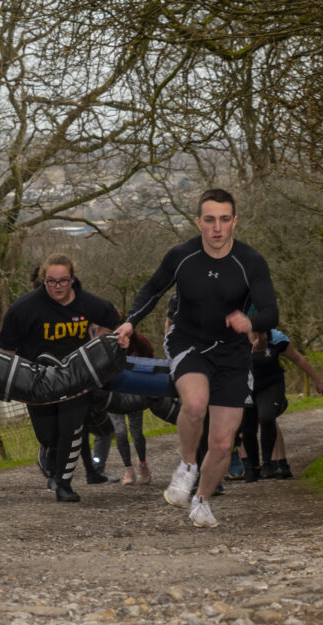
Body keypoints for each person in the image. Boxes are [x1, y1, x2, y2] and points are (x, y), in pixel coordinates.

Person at [115, 188, 278, 528]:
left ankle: (201, 500)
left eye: (223, 220)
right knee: (194, 404)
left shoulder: (250, 262)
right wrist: (130, 321)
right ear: (198, 222)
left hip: (233, 352)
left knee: (221, 442)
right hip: (188, 341)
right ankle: (187, 465)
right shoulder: (182, 256)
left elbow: (270, 310)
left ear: (234, 222)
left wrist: (251, 322)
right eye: (209, 220)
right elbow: (152, 290)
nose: (216, 228)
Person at [0, 253, 120, 502]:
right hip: (38, 382)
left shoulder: (87, 304)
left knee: (71, 429)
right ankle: (49, 454)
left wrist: (97, 346)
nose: (58, 287)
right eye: (51, 281)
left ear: (72, 279)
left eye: (63, 281)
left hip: (75, 379)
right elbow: (7, 349)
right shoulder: (24, 309)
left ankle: (64, 484)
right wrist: (7, 381)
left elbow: (111, 318)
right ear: (43, 280)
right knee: (48, 435)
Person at [240, 329, 323, 480]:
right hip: (246, 388)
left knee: (266, 417)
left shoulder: (276, 338)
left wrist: (317, 380)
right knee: (246, 427)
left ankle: (271, 464)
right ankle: (252, 466)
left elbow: (298, 358)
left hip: (271, 385)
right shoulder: (234, 339)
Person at [93, 319, 155, 485]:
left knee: (136, 432)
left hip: (135, 394)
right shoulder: (105, 346)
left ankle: (142, 463)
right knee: (120, 432)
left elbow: (151, 361)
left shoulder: (140, 342)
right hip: (114, 395)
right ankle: (128, 468)